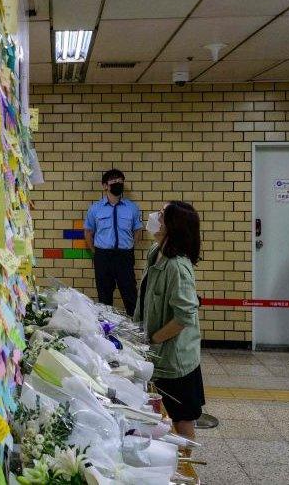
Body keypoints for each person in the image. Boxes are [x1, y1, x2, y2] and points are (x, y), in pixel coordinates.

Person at [133, 201, 203, 439]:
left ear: (172, 226)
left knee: (182, 416)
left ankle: (188, 466)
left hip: (175, 359)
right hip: (155, 352)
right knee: (161, 411)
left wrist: (154, 339)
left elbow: (184, 317)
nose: (155, 217)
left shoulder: (177, 267)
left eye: (161, 215)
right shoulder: (156, 252)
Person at [84, 169, 143, 313]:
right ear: (105, 186)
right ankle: (106, 331)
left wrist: (129, 247)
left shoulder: (132, 208)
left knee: (130, 294)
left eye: (120, 180)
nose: (118, 183)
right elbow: (88, 232)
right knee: (104, 296)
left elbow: (138, 231)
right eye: (114, 180)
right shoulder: (95, 209)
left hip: (125, 256)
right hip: (103, 257)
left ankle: (136, 330)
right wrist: (95, 251)